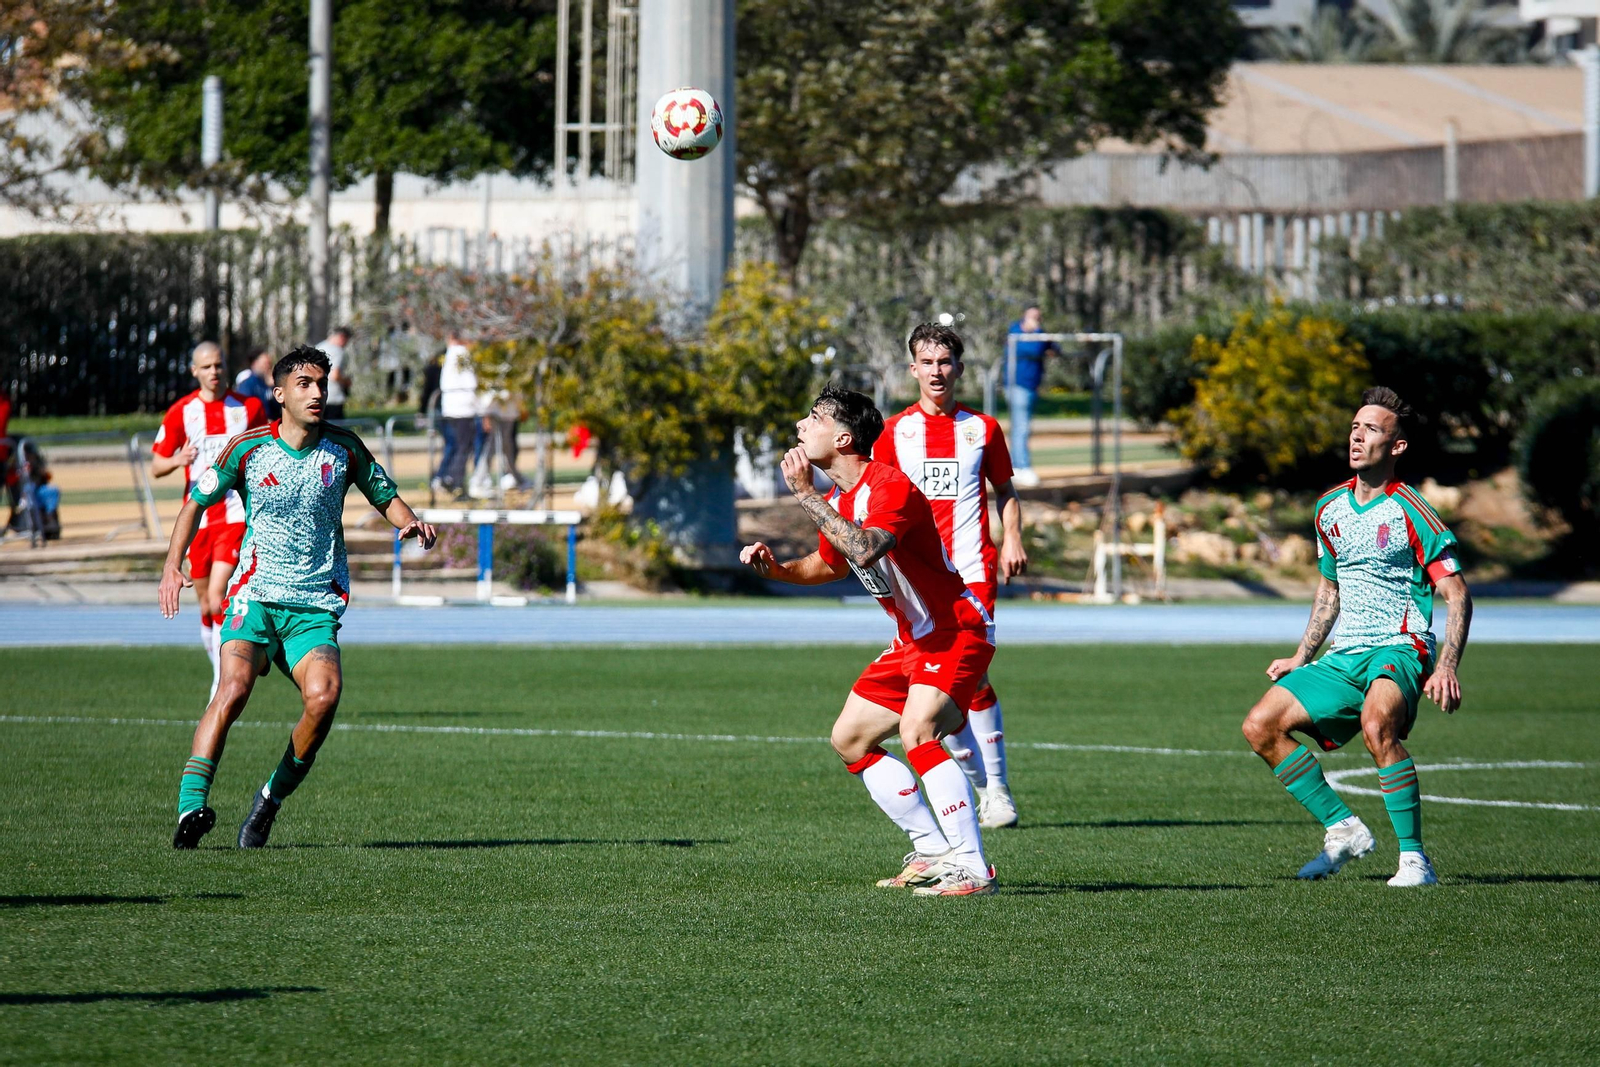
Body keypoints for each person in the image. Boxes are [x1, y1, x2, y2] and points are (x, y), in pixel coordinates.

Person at [159, 344, 437, 850]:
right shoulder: (247, 448)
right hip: (255, 597)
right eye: (304, 385)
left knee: (324, 698)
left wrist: (411, 521)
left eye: (321, 385)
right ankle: (190, 809)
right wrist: (171, 565)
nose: (316, 394)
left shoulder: (345, 448)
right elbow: (195, 504)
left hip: (314, 605)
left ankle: (268, 802)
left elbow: (385, 495)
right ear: (279, 393)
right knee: (234, 689)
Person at [739, 384, 997, 896]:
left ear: (842, 437)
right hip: (911, 640)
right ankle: (931, 850)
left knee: (918, 731)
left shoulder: (888, 486)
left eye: (812, 418)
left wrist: (805, 495)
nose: (800, 427)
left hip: (954, 629)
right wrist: (779, 570)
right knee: (849, 740)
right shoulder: (843, 498)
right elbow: (828, 562)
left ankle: (972, 866)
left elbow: (863, 549)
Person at [1241, 387, 1473, 888]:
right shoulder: (1329, 508)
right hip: (1345, 652)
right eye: (1353, 427)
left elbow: (1456, 594)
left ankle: (1415, 861)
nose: (1356, 436)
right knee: (1260, 726)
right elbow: (1330, 588)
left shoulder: (1413, 511)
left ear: (1396, 447)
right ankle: (1343, 828)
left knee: (1376, 725)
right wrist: (1302, 655)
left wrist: (1447, 665)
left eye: (1371, 429)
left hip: (1401, 646)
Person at [875, 323, 1027, 829]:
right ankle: (981, 786)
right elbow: (877, 498)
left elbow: (1005, 491)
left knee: (972, 674)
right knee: (935, 686)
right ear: (912, 369)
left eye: (945, 362)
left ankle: (998, 789)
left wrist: (1014, 540)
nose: (937, 371)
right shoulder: (895, 432)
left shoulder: (982, 429)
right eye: (927, 362)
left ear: (959, 369)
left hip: (972, 571)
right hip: (915, 580)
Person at [151, 342, 268, 698]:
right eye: (207, 367)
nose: (214, 372)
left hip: (235, 515)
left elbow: (267, 448)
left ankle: (223, 683)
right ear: (194, 371)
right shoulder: (181, 412)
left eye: (219, 365)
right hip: (198, 518)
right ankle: (219, 669)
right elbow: (156, 465)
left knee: (218, 597)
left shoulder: (249, 407)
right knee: (205, 605)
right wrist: (178, 459)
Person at [1004, 305, 1058, 488]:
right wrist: (1038, 333)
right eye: (1033, 316)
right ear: (1024, 316)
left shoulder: (1040, 334)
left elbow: (1054, 348)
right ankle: (1021, 467)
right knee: (1021, 427)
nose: (1036, 320)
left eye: (1039, 317)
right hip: (1017, 385)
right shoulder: (1016, 332)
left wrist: (1043, 337)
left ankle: (1016, 466)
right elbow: (1034, 349)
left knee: (1021, 427)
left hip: (1031, 386)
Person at [434, 332, 478, 496]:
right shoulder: (461, 353)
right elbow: (470, 382)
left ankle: (445, 477)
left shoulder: (449, 354)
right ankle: (453, 480)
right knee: (463, 446)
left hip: (451, 407)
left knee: (454, 445)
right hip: (463, 408)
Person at [315, 326, 354, 420]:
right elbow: (335, 375)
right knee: (335, 430)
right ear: (342, 337)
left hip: (319, 394)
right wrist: (346, 381)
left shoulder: (319, 347)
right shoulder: (337, 350)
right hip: (334, 397)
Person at [233, 347, 281, 420]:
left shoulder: (267, 384)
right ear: (255, 363)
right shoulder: (248, 384)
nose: (268, 367)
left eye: (269, 364)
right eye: (265, 363)